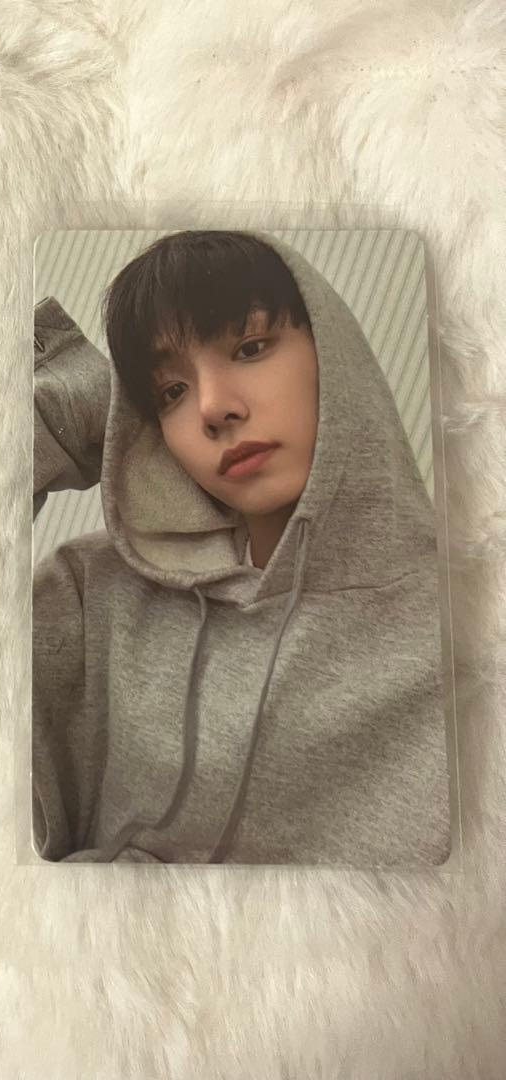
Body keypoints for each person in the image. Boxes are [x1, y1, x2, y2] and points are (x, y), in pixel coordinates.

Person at [31, 230, 452, 865]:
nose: (212, 408)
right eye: (170, 392)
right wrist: (58, 415)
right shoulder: (90, 592)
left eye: (250, 347)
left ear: (335, 353)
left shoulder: (468, 630)